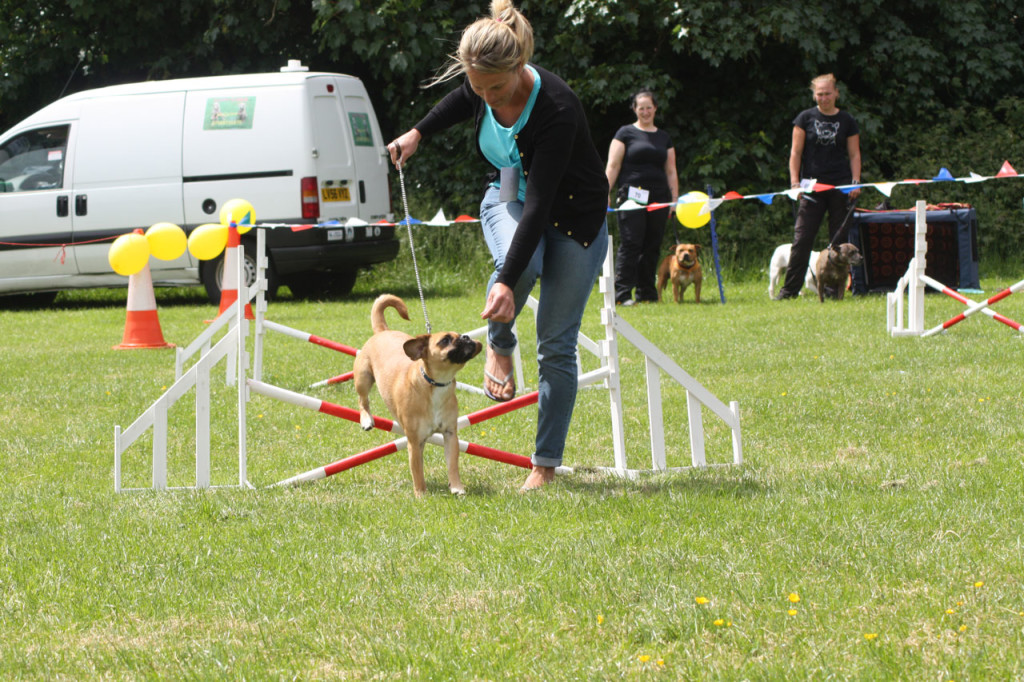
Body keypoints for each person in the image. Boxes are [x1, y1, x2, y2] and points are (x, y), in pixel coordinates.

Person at [387, 0, 609, 492]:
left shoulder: (556, 107)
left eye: (495, 88)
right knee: (518, 260)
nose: (485, 98)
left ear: (518, 68)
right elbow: (457, 104)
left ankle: (545, 465)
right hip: (508, 194)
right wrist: (418, 132)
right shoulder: (481, 85)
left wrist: (507, 280)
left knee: (555, 343)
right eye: (476, 87)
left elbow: (541, 206)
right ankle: (500, 347)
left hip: (575, 217)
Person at [775, 73, 862, 300]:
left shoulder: (847, 121)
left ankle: (836, 292)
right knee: (802, 239)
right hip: (811, 188)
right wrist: (795, 183)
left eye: (827, 93)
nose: (823, 98)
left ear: (836, 94)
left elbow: (854, 154)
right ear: (814, 95)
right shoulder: (804, 118)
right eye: (819, 94)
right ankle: (789, 291)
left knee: (839, 242)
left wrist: (855, 181)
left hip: (841, 187)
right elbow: (795, 153)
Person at [605, 91, 678, 305]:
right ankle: (623, 294)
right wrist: (604, 192)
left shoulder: (664, 137)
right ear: (635, 110)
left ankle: (646, 293)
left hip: (659, 197)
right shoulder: (625, 133)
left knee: (652, 244)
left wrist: (674, 199)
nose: (645, 112)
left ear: (655, 108)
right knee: (631, 243)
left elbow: (671, 171)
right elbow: (613, 165)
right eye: (641, 107)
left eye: (649, 107)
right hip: (631, 196)